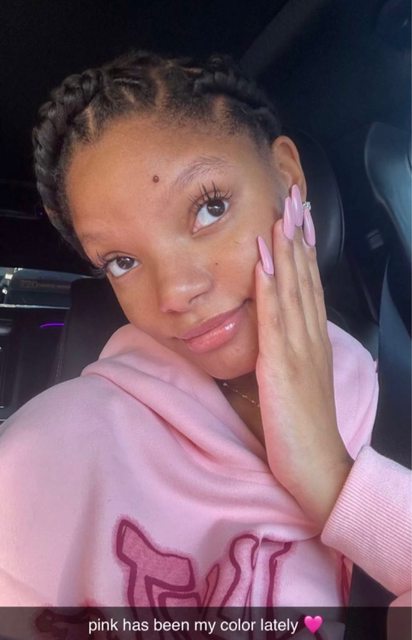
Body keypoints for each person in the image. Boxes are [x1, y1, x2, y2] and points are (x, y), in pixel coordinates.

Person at [0, 51, 410, 634]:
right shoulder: (43, 460)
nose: (175, 292)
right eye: (121, 261)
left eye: (209, 208)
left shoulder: (384, 386)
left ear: (288, 178)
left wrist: (332, 476)